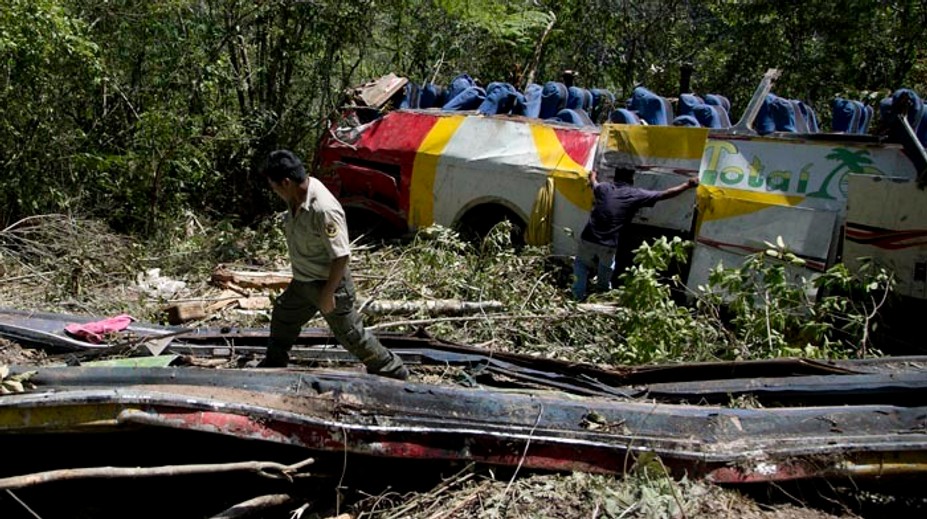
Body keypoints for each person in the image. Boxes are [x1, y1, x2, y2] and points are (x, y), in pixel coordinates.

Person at [257, 149, 409, 380]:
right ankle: (274, 363)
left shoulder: (324, 209)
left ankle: (393, 370)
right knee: (283, 317)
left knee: (351, 335)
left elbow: (341, 256)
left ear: (286, 182)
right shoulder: (295, 195)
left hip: (329, 284)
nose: (274, 191)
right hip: (303, 281)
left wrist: (328, 294)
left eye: (274, 186)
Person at [571, 166, 699, 301]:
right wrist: (687, 185)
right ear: (632, 179)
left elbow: (594, 184)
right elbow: (664, 194)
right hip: (608, 243)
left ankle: (576, 296)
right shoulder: (634, 194)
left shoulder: (603, 188)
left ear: (615, 177)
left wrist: (593, 174)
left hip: (589, 236)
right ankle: (601, 294)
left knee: (581, 264)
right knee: (606, 267)